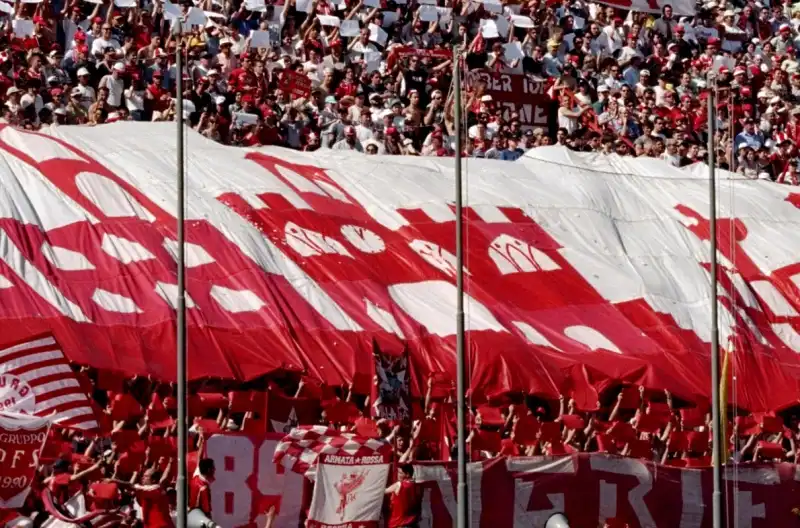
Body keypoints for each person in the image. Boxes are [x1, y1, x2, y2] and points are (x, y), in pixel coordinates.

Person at [385, 463, 421, 528]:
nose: (398, 475)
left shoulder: (399, 485)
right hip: (412, 522)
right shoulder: (415, 485)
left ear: (407, 474)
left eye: (400, 473)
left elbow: (382, 491)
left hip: (399, 523)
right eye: (398, 472)